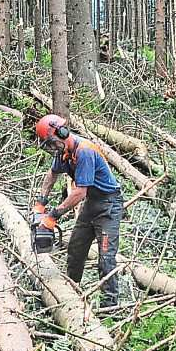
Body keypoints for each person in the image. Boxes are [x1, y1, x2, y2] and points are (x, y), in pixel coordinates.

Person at [35, 113, 124, 309]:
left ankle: (110, 308)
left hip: (108, 206)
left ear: (62, 132)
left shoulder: (84, 152)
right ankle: (72, 294)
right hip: (92, 204)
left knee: (106, 257)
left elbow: (79, 193)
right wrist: (41, 202)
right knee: (76, 249)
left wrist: (53, 215)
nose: (51, 148)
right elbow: (52, 175)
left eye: (52, 142)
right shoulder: (63, 153)